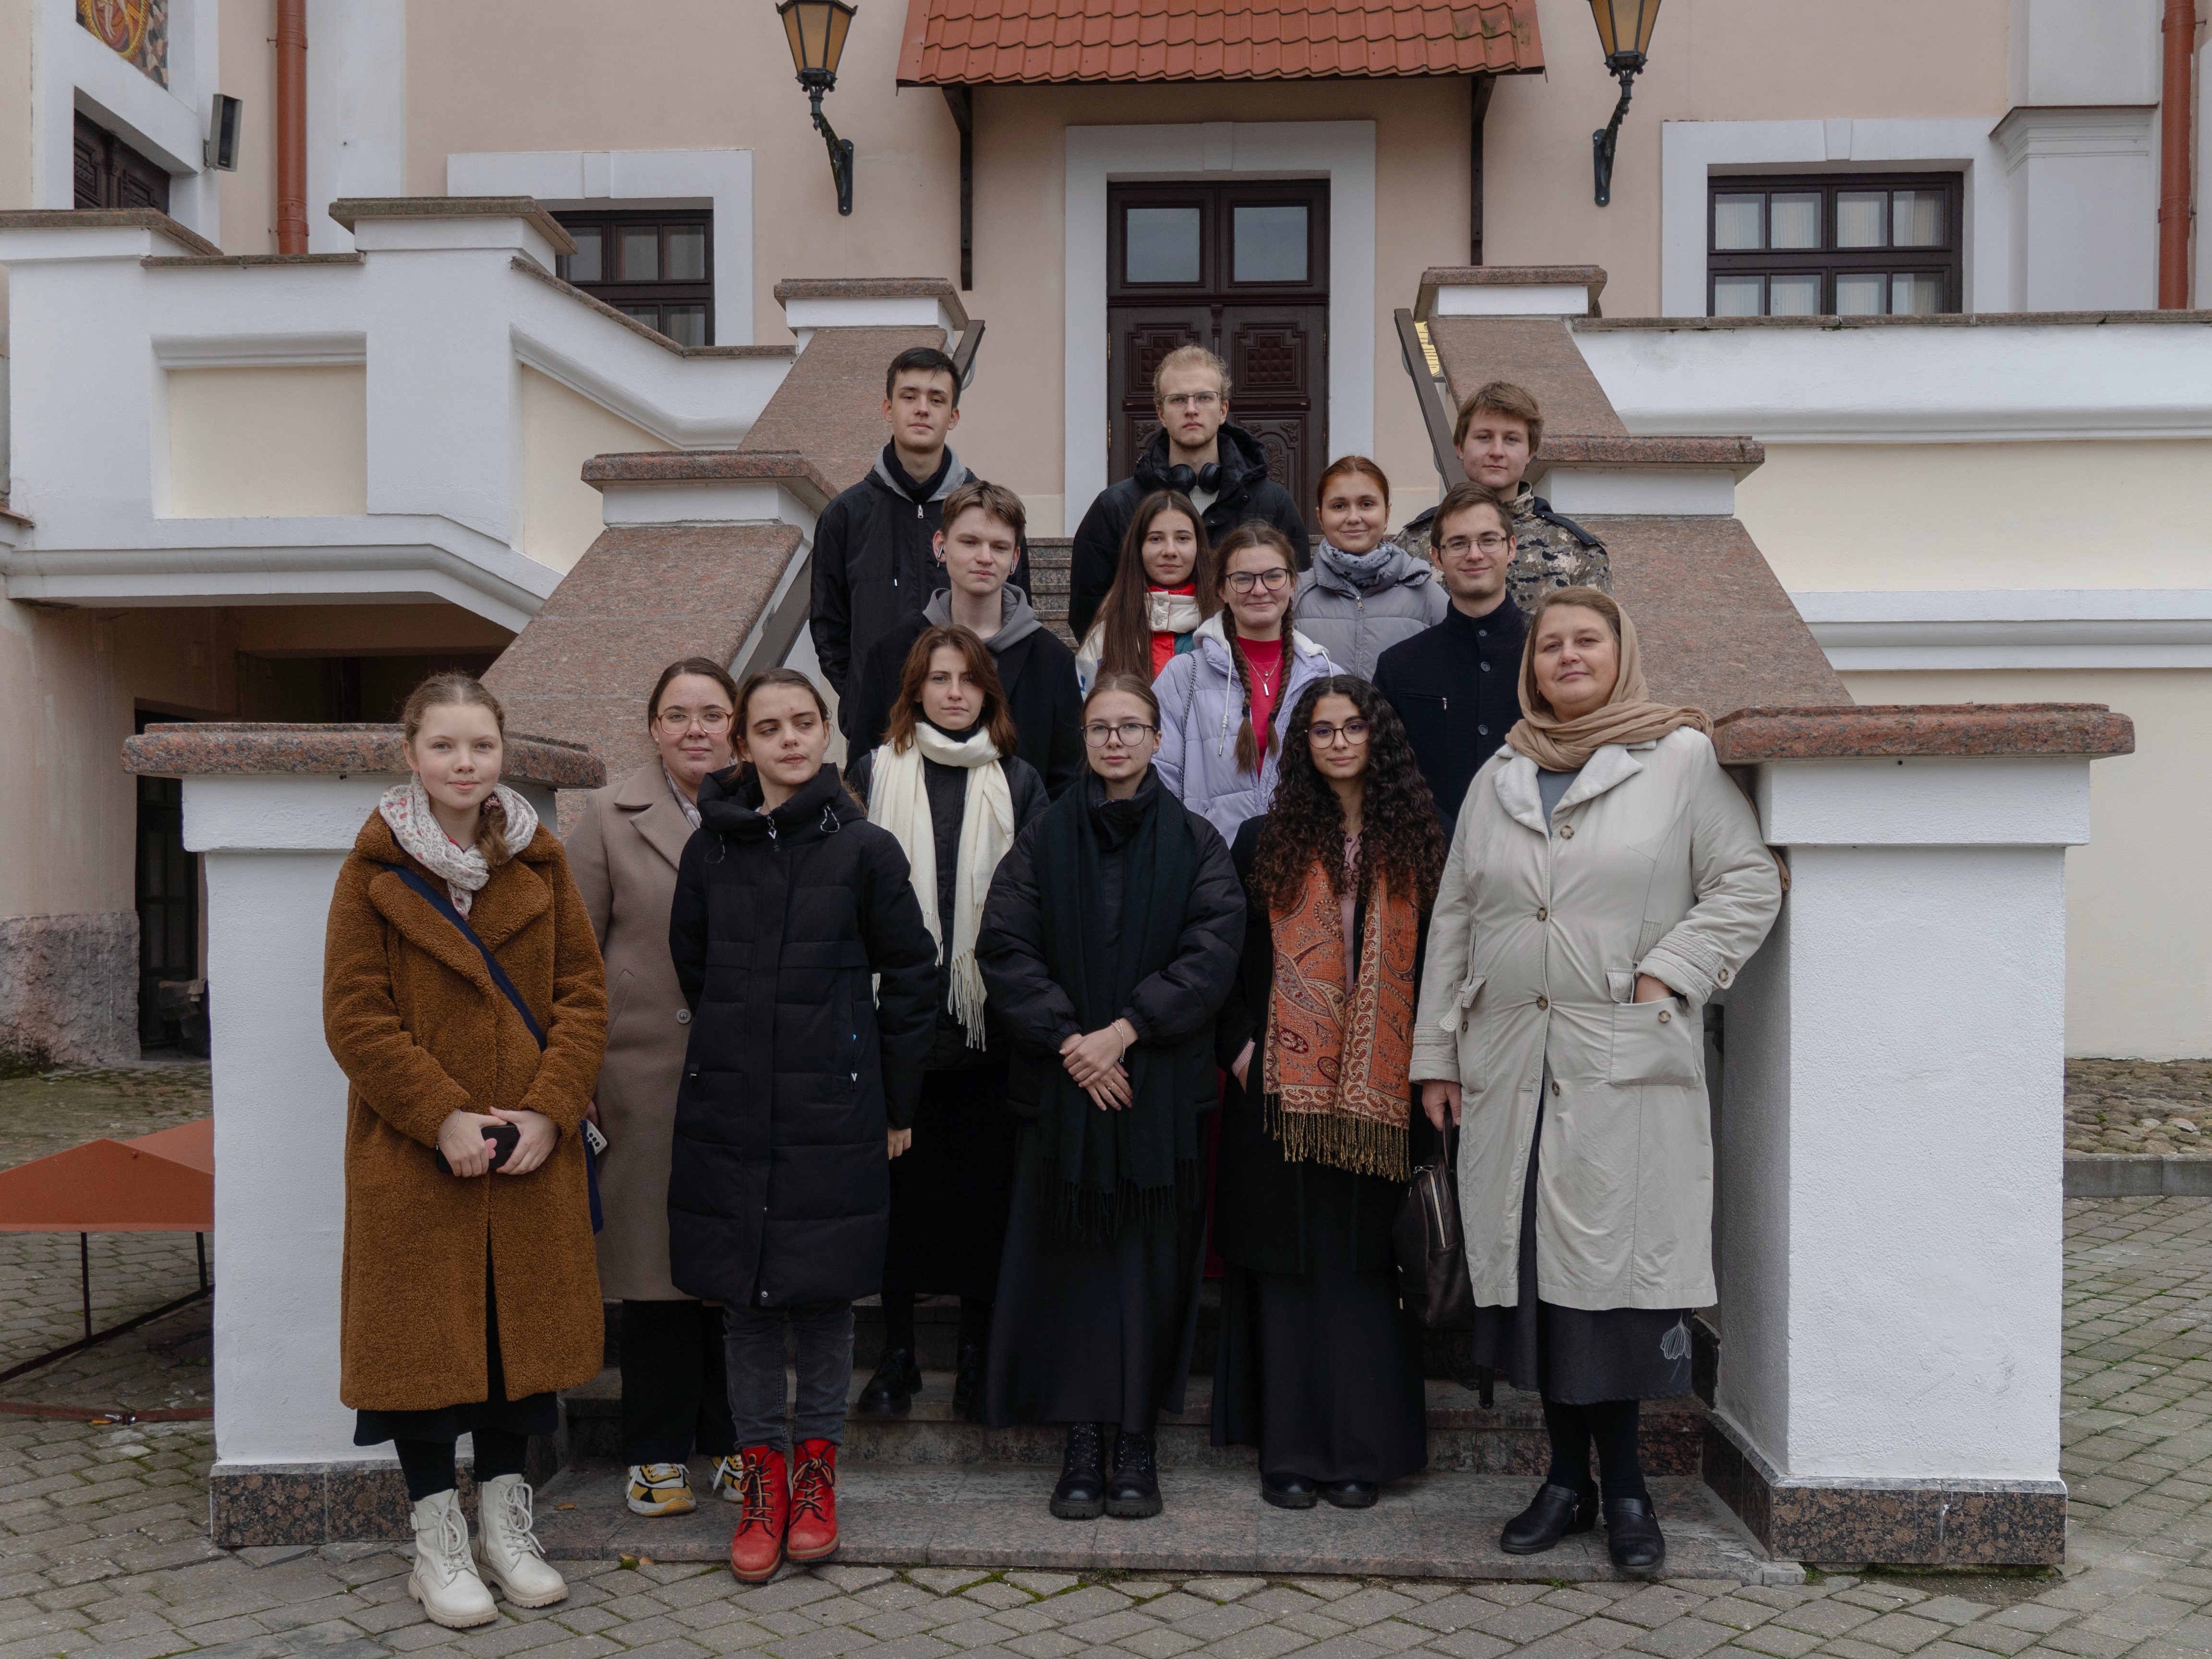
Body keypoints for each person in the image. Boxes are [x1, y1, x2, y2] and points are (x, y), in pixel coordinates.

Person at [1410, 587, 1783, 1574]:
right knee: (1536, 1286)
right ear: (1530, 665)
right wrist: (1435, 1054)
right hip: (1507, 1066)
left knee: (1603, 1294)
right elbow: (1455, 917)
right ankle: (1564, 1481)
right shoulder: (1500, 771)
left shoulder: (1678, 758)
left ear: (1622, 654)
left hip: (1615, 1061)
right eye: (1550, 645)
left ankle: (1624, 1491)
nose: (1567, 657)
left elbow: (1748, 879)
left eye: (1587, 641)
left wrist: (1669, 971)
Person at [323, 673, 607, 1629]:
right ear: (411, 753)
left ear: (501, 754)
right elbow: (355, 1016)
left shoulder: (542, 862)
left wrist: (549, 1112)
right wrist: (441, 1114)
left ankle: (504, 1527)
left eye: (480, 745)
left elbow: (582, 998)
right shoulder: (371, 872)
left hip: (526, 1149)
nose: (463, 762)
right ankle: (436, 1543)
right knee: (423, 1352)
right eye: (443, 745)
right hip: (416, 1155)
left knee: (514, 1347)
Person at [666, 668, 938, 1582]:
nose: (788, 739)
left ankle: (817, 1477)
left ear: (826, 732)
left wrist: (893, 1100)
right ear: (742, 745)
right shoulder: (710, 851)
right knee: (745, 1305)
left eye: (803, 722)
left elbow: (913, 976)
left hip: (834, 1109)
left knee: (823, 1301)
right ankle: (763, 1481)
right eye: (769, 727)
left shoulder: (865, 850)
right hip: (730, 1107)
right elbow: (694, 966)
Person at [976, 674, 1245, 1522]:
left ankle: (1136, 1440)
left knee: (1148, 1273)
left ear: (1158, 739)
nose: (1116, 740)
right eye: (1101, 727)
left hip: (1158, 1093)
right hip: (1063, 1093)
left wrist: (1124, 1032)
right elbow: (1005, 946)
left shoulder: (1198, 841)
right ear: (1084, 739)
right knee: (1071, 1273)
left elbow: (1212, 953)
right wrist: (1073, 1044)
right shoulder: (1042, 837)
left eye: (1131, 726)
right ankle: (1083, 1440)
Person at [1212, 677, 1441, 1509]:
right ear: (1301, 745)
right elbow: (1223, 961)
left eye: (1352, 727)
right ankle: (1289, 1450)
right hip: (1280, 1096)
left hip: (1384, 1098)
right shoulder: (1261, 841)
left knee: (1363, 1275)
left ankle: (1360, 1452)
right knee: (1288, 1271)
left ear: (1378, 737)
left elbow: (1449, 968)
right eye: (1320, 730)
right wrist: (1242, 1051)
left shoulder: (1423, 843)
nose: (1338, 742)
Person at [847, 627, 1051, 1421]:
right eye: (939, 678)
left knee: (981, 1198)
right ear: (915, 689)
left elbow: (1035, 901)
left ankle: (974, 1355)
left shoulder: (1019, 781)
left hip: (987, 1025)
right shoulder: (872, 773)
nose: (954, 692)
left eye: (969, 679)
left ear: (988, 691)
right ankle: (896, 1354)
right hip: (893, 1021)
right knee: (897, 1199)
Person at [565, 658, 743, 1520]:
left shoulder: (766, 809)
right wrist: (575, 1074)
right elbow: (571, 959)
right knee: (654, 1270)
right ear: (653, 727)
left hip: (744, 1071)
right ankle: (655, 1449)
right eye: (678, 714)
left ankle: (735, 1439)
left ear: (736, 723)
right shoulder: (607, 817)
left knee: (734, 1267)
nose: (696, 729)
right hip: (641, 1076)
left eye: (712, 712)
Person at [808, 346, 1033, 716]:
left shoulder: (991, 517)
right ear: (888, 409)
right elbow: (828, 628)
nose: (923, 409)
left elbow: (1015, 611)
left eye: (937, 399)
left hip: (973, 720)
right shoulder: (845, 516)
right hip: (880, 723)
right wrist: (861, 698)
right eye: (909, 396)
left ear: (953, 416)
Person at [850, 481, 1082, 798]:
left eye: (999, 547)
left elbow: (1068, 782)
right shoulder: (892, 653)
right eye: (970, 542)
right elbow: (864, 774)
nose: (985, 557)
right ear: (941, 546)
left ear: (1015, 559)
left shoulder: (1052, 660)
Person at [1070, 344, 1310, 641]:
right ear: (1161, 413)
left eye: (1205, 398)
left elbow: (1298, 599)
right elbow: (1088, 612)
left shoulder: (1274, 503)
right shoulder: (1115, 506)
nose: (1191, 409)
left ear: (1223, 410)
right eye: (1178, 399)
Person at [1155, 524, 1339, 843]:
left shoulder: (1327, 676)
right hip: (1212, 860)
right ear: (1222, 590)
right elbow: (1160, 776)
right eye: (1243, 579)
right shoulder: (1184, 676)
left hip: (1307, 857)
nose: (1259, 590)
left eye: (1273, 576)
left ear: (1293, 583)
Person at [1373, 483, 1527, 830]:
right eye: (1458, 544)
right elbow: (1384, 774)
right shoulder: (1400, 666)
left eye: (1489, 540)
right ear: (1437, 557)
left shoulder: (1549, 652)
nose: (1475, 554)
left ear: (1511, 548)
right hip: (1431, 852)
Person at [1395, 380, 1609, 605]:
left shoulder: (1577, 550)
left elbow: (1597, 627)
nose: (1497, 452)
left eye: (1511, 439)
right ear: (1460, 447)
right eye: (1484, 437)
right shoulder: (1411, 544)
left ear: (1530, 452)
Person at [1291, 458, 1446, 680]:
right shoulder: (1295, 595)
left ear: (1387, 513)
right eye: (1339, 506)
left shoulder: (1425, 593)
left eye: (1366, 504)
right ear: (1320, 518)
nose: (1354, 518)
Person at [1073, 489, 1218, 696]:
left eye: (1183, 538)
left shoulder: (1223, 627)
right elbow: (1085, 707)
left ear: (1199, 546)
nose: (1170, 551)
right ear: (1138, 549)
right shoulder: (1106, 636)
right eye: (1156, 539)